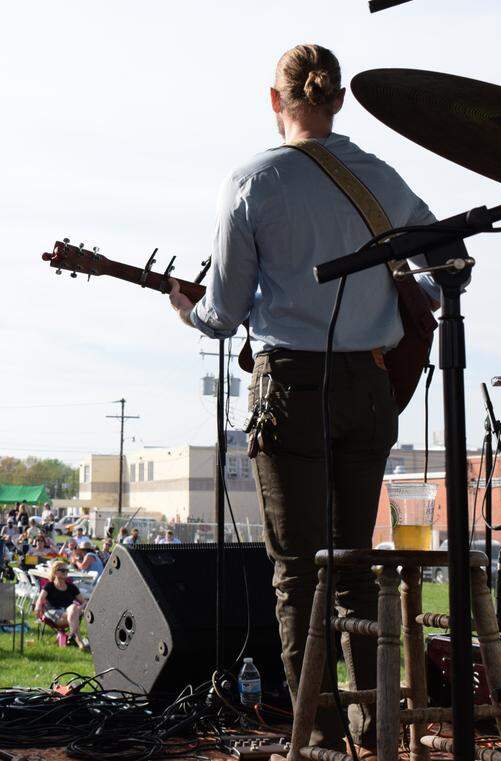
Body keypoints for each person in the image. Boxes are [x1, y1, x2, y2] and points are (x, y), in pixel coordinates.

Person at [164, 44, 443, 753]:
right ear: (340, 100)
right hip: (371, 388)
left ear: (274, 100)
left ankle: (316, 736)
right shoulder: (381, 178)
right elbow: (443, 268)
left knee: (299, 573)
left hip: (290, 387)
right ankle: (371, 727)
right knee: (352, 565)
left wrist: (185, 310)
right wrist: (395, 303)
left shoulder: (252, 181)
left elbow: (224, 312)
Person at [34, 561, 90, 651]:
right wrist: (37, 607)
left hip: (68, 613)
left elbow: (84, 602)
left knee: (73, 608)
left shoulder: (72, 587)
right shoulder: (49, 586)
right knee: (74, 612)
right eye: (63, 570)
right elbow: (40, 600)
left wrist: (81, 608)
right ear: (55, 572)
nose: (65, 573)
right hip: (53, 613)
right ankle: (77, 639)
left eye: (67, 570)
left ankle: (75, 638)